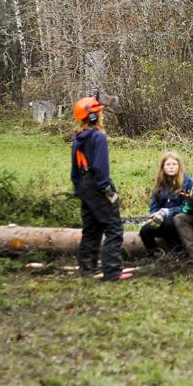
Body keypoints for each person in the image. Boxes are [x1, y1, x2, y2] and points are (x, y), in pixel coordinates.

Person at [70, 96, 131, 282]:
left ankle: (86, 268)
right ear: (94, 117)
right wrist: (107, 190)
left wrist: (78, 189)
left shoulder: (78, 138)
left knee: (91, 228)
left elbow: (74, 170)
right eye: (99, 113)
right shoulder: (98, 137)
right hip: (97, 184)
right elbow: (100, 167)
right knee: (114, 228)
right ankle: (113, 271)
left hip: (83, 185)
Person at [139, 151, 193, 254]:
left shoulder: (188, 182)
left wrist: (167, 212)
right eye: (168, 164)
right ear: (163, 167)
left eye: (174, 164)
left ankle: (179, 252)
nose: (171, 167)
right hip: (161, 220)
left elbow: (187, 207)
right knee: (145, 231)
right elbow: (154, 205)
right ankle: (155, 254)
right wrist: (154, 214)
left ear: (179, 166)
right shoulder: (159, 183)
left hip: (182, 220)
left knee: (169, 223)